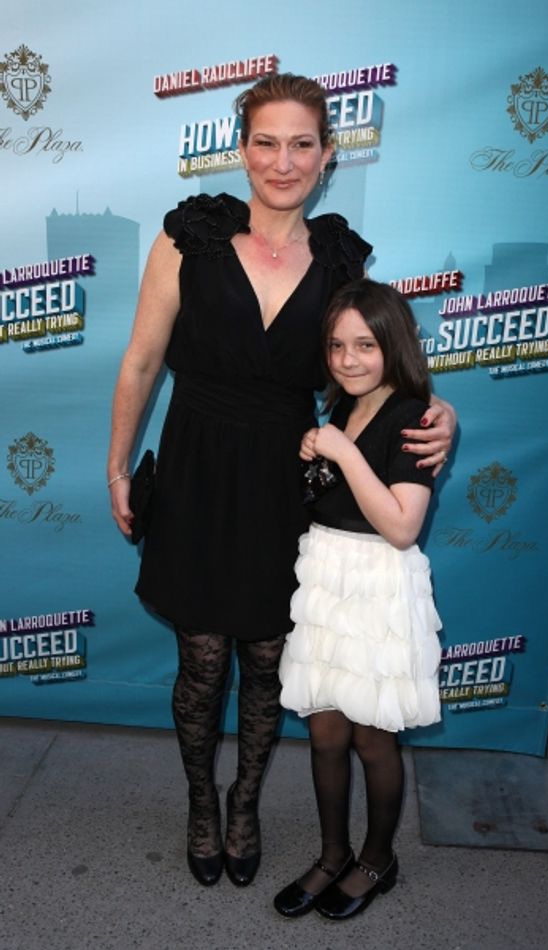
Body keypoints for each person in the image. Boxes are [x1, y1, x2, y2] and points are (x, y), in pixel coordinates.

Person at [107, 74, 455, 890]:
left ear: (328, 157)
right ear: (241, 149)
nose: (283, 160)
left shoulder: (340, 258)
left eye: (302, 144)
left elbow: (378, 362)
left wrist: (444, 412)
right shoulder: (188, 238)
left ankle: (246, 806)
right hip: (193, 468)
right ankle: (201, 804)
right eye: (266, 141)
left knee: (266, 660)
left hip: (283, 480)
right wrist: (119, 465)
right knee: (201, 662)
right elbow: (141, 360)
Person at [275, 279, 443, 920]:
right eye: (337, 345)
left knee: (373, 738)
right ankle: (331, 855)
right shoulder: (343, 405)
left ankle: (377, 860)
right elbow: (332, 496)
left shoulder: (415, 414)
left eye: (365, 345)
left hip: (376, 582)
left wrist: (341, 453)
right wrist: (319, 457)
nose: (348, 359)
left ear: (392, 344)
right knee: (324, 733)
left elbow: (402, 526)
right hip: (328, 577)